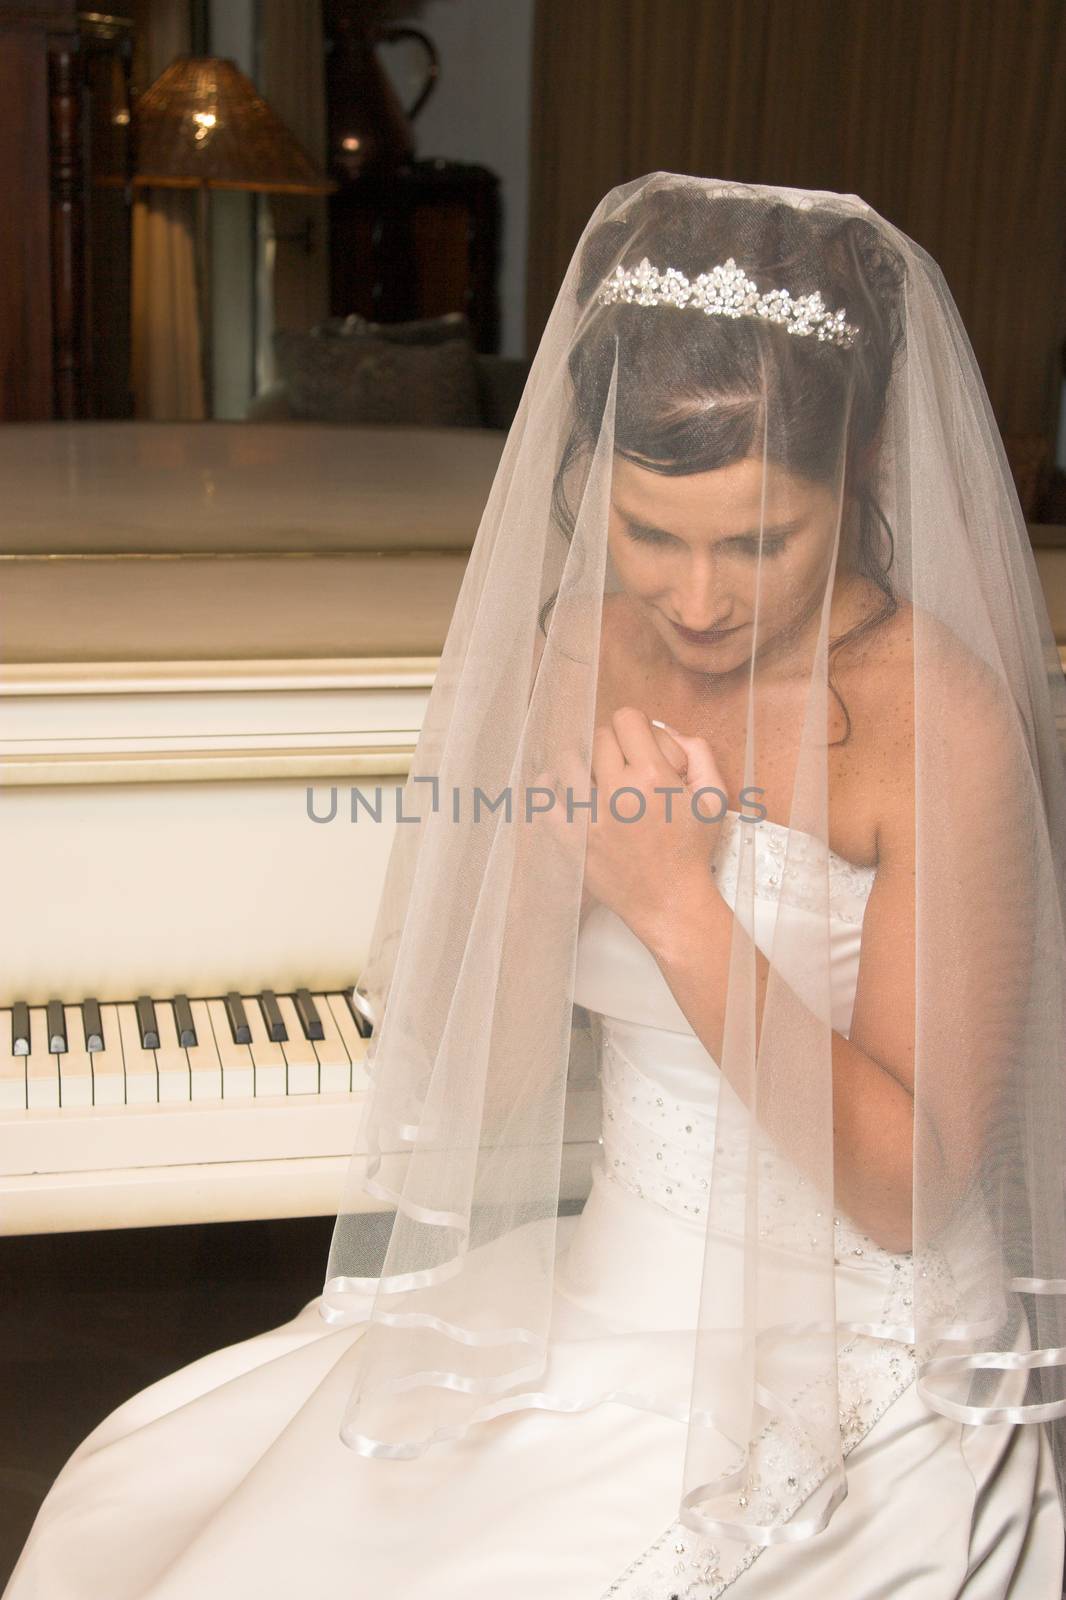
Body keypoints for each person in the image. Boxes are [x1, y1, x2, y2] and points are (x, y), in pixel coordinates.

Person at [6, 174, 1066, 1599]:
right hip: (599, 1296)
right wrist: (543, 873)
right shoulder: (571, 647)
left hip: (851, 1364)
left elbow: (909, 1186)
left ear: (863, 469)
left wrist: (680, 909)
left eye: (757, 543)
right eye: (647, 533)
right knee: (159, 1527)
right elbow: (484, 1083)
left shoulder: (937, 718)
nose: (693, 601)